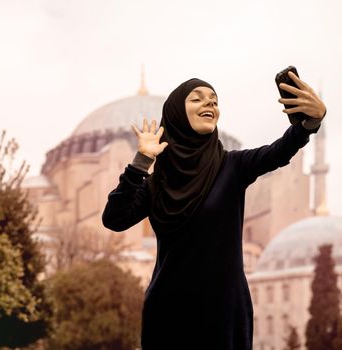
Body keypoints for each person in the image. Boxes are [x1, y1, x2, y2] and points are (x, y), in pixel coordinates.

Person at [102, 71, 326, 350]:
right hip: (169, 311)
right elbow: (114, 218)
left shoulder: (233, 167)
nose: (209, 104)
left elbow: (279, 151)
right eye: (197, 99)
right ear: (176, 115)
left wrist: (310, 123)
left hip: (224, 311)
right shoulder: (157, 182)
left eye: (214, 100)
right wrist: (141, 162)